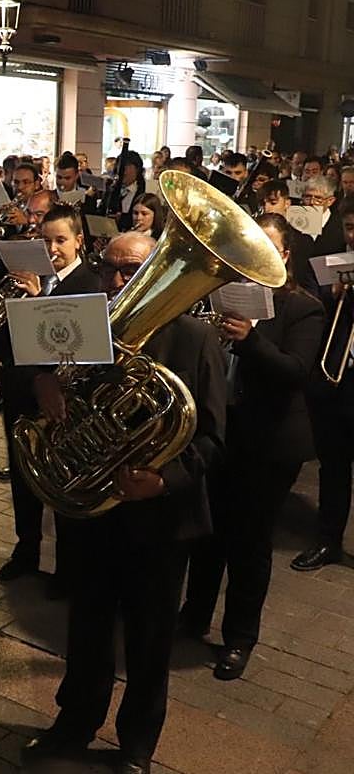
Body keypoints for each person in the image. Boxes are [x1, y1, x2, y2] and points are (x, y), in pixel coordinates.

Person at [24, 232, 226, 774]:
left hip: (160, 519)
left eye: (129, 269)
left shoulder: (195, 339)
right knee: (86, 628)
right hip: (93, 514)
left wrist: (164, 482)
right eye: (108, 268)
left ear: (156, 268)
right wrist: (43, 382)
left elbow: (210, 440)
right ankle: (74, 723)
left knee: (150, 637)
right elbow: (39, 392)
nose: (115, 281)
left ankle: (138, 743)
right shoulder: (88, 326)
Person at [178, 214, 324, 679]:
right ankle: (194, 614)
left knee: (249, 544)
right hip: (222, 434)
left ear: (283, 256)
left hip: (268, 444)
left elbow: (296, 370)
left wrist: (251, 340)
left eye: (266, 245)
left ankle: (239, 637)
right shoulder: (225, 295)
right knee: (206, 533)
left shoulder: (303, 308)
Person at [0, 206, 99, 592]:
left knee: (62, 483)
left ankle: (68, 569)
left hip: (62, 402)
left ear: (79, 242)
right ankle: (26, 551)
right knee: (24, 480)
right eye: (46, 240)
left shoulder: (91, 283)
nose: (52, 248)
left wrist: (38, 304)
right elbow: (5, 345)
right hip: (21, 392)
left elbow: (73, 346)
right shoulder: (31, 280)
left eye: (60, 240)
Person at [293, 203, 354, 572]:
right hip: (339, 378)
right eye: (350, 227)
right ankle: (328, 540)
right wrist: (333, 296)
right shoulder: (337, 266)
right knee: (333, 466)